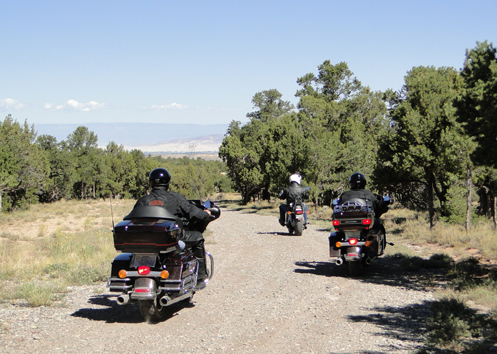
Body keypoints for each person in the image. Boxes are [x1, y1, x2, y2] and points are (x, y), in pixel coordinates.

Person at [134, 168, 212, 289]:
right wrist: (206, 213)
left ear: (151, 182)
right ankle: (201, 276)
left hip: (147, 238)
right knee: (198, 237)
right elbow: (193, 212)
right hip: (170, 237)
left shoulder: (143, 200)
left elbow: (133, 217)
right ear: (167, 181)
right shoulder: (174, 198)